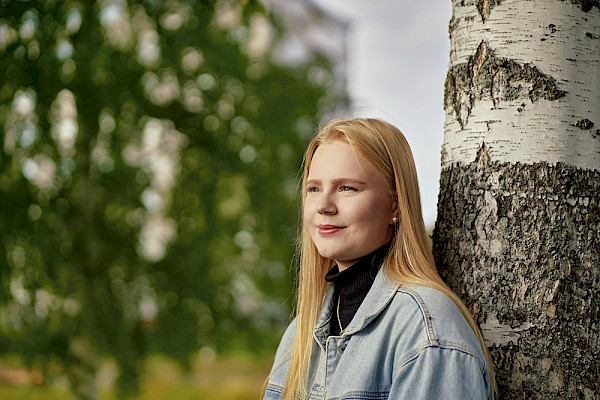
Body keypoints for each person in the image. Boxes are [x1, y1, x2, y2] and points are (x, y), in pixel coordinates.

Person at [263, 118, 496, 400]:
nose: (323, 205)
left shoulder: (426, 332)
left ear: (394, 205)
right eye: (314, 188)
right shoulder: (302, 330)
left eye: (347, 188)